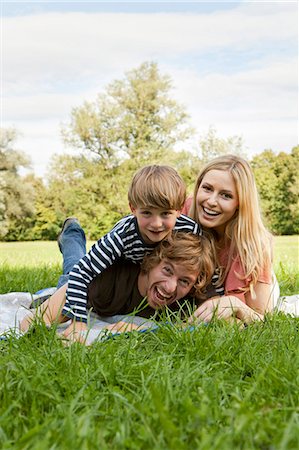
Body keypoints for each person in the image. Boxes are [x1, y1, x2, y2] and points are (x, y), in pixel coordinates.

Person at [61, 164, 223, 326]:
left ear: (179, 210)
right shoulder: (120, 237)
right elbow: (81, 273)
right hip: (117, 271)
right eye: (147, 213)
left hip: (146, 273)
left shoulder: (190, 230)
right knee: (70, 276)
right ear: (133, 209)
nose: (157, 224)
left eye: (165, 213)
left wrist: (218, 298)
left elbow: (208, 267)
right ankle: (72, 235)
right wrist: (78, 322)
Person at [20, 221, 217, 343]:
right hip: (83, 290)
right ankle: (72, 233)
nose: (170, 287)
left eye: (184, 281)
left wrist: (138, 328)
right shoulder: (107, 278)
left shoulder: (186, 301)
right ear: (151, 261)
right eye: (167, 270)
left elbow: (223, 317)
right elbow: (31, 322)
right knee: (73, 267)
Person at [182, 154, 276, 324]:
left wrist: (234, 304)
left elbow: (262, 317)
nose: (211, 201)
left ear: (240, 202)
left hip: (251, 283)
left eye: (226, 195)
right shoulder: (184, 212)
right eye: (207, 188)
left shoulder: (255, 245)